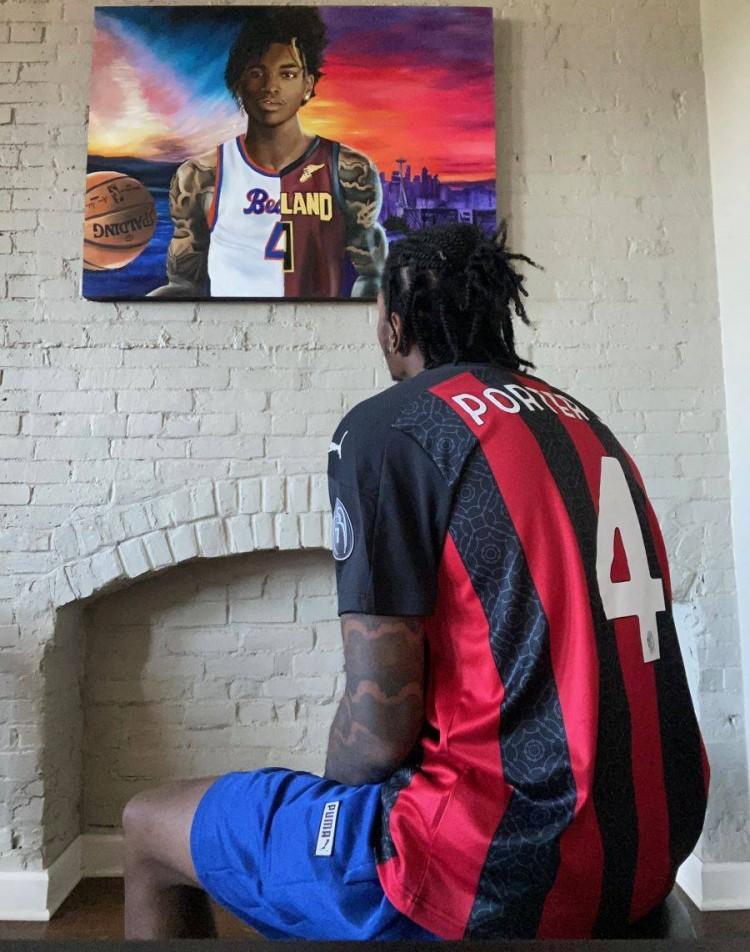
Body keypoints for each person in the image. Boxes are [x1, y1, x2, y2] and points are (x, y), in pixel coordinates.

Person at [123, 222, 709, 940]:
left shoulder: (390, 429)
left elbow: (377, 730)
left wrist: (323, 825)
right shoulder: (588, 426)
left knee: (147, 826)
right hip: (650, 844)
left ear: (394, 325)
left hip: (502, 863)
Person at [145, 6, 386, 300]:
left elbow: (372, 277)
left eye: (287, 74)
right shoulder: (200, 176)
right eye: (257, 73)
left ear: (308, 85)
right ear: (239, 83)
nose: (271, 86)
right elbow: (184, 284)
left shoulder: (348, 170)